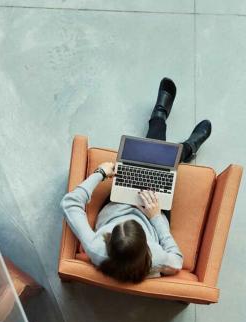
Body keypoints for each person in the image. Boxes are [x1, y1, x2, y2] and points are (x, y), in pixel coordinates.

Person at [61, 77, 212, 283]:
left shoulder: (96, 247)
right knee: (159, 167)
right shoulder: (157, 258)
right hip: (153, 211)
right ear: (147, 246)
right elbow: (177, 261)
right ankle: (181, 143)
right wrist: (156, 216)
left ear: (108, 239)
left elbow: (69, 203)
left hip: (117, 202)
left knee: (149, 159)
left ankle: (166, 125)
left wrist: (100, 173)